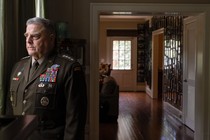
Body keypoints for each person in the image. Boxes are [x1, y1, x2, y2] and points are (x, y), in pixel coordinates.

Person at [6, 17, 87, 140]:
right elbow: (10, 109)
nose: (28, 41)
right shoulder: (18, 66)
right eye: (26, 35)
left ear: (51, 38)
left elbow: (75, 118)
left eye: (35, 36)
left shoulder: (68, 68)